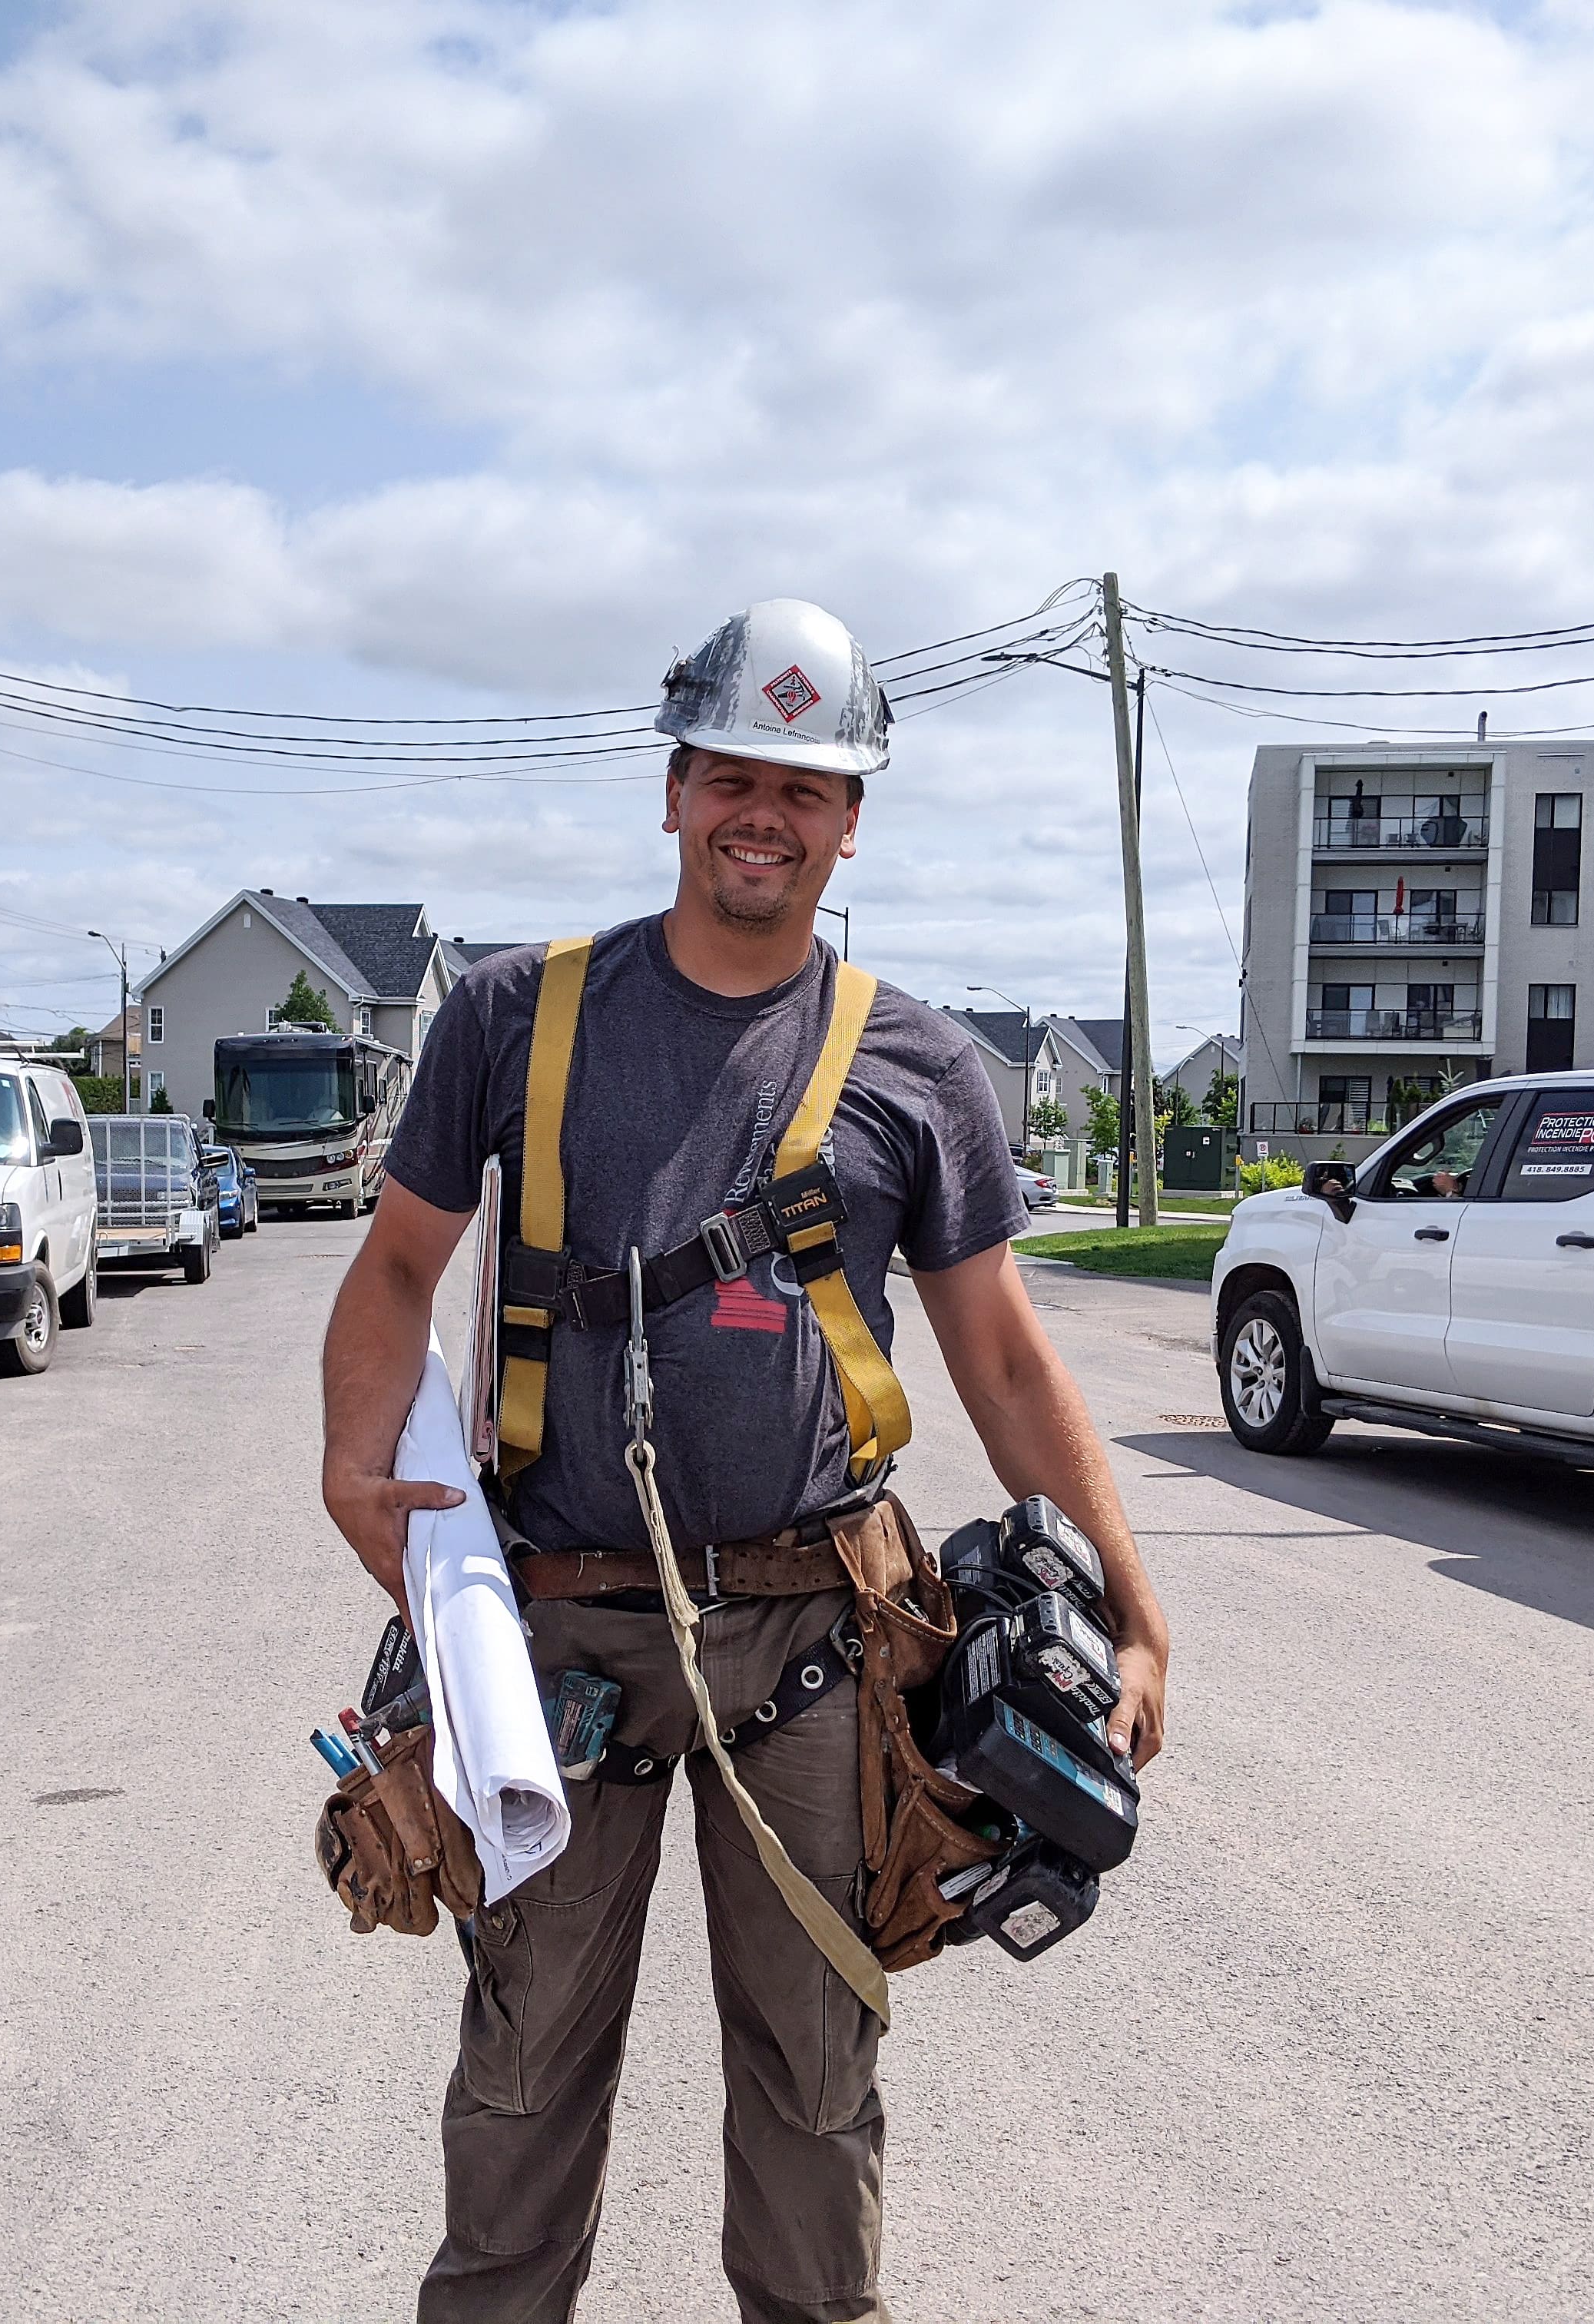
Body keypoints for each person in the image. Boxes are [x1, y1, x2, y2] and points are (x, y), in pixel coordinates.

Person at [320, 598, 1171, 2324]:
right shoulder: (509, 1018)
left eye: (806, 783)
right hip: (561, 1645)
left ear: (852, 818)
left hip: (815, 1653)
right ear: (674, 788)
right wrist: (357, 1460)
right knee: (520, 2093)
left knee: (814, 2093)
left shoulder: (921, 1066)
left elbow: (1002, 1353)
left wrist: (1138, 1615)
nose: (763, 814)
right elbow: (400, 1262)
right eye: (731, 775)